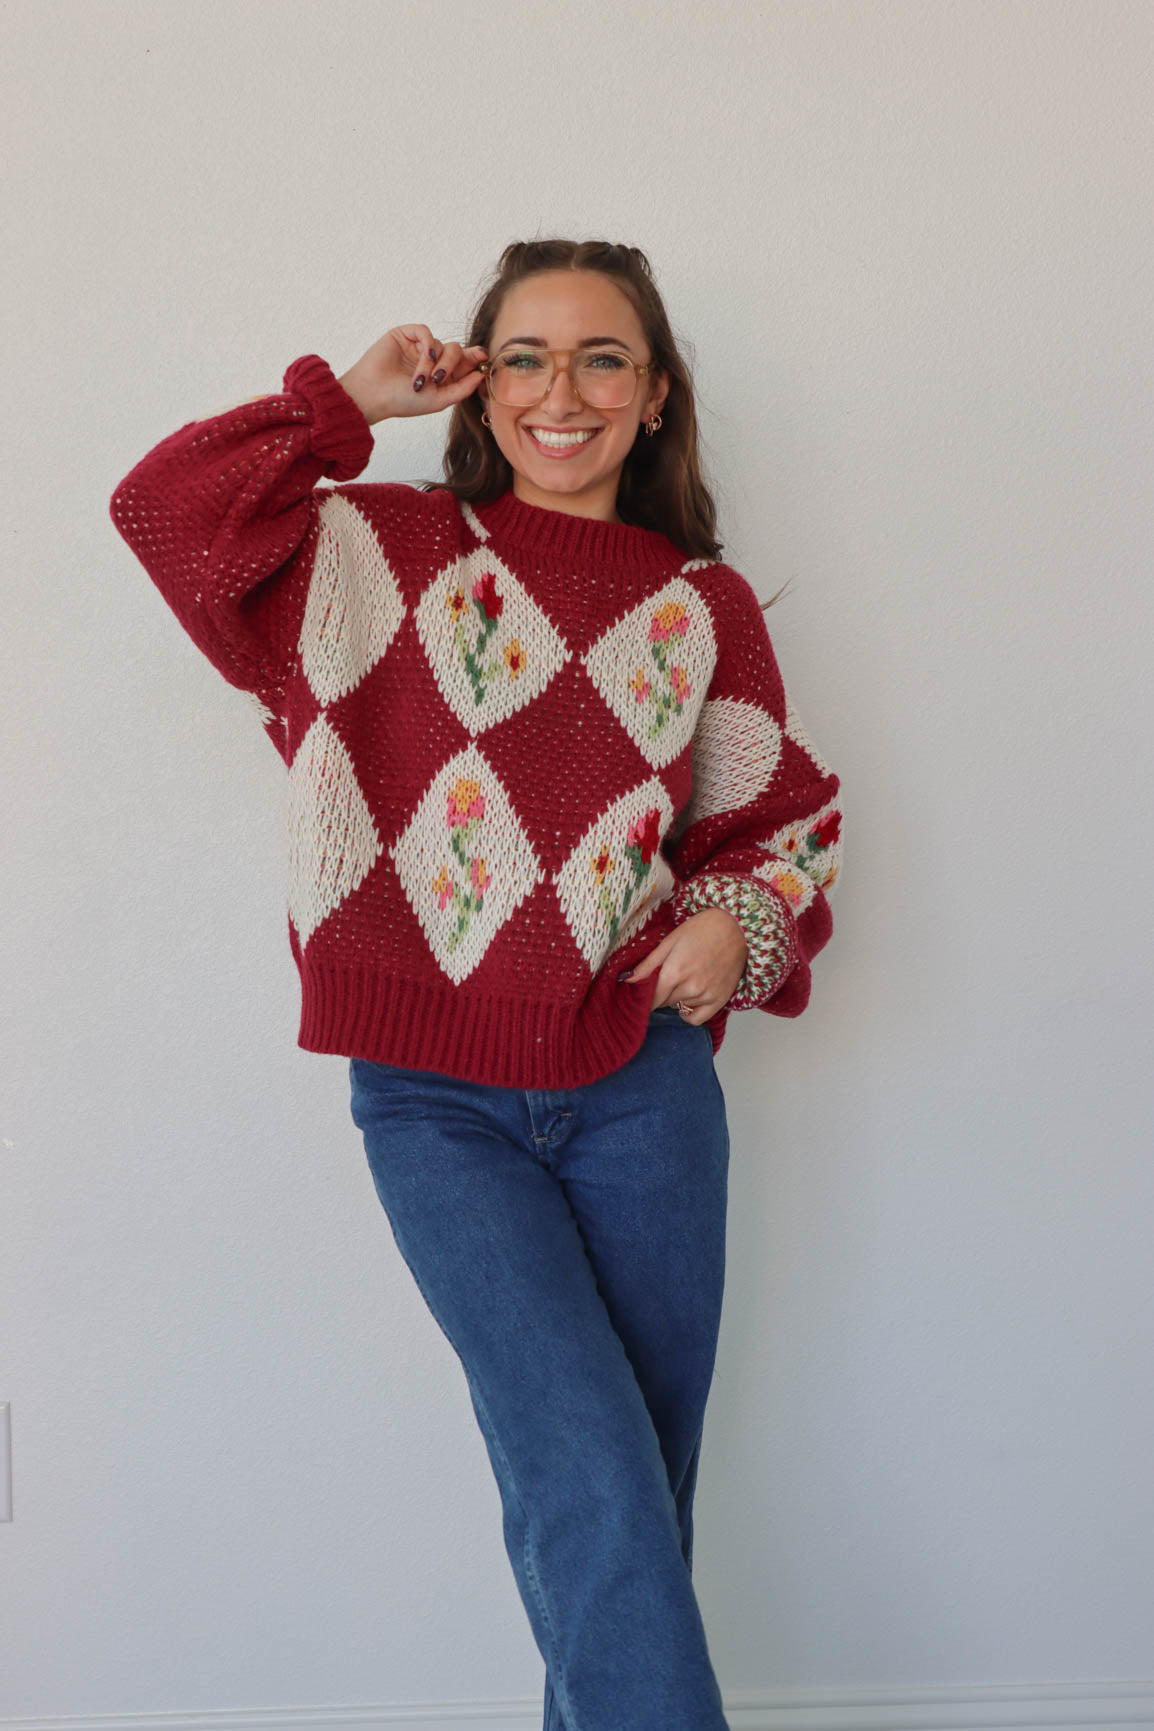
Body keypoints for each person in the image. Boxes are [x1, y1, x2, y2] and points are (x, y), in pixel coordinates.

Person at [109, 238, 843, 1731]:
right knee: (586, 1475)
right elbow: (165, 515)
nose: (557, 393)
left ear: (654, 400)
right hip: (436, 1104)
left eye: (599, 360)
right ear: (478, 382)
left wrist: (734, 922)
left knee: (631, 1495)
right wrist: (342, 405)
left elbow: (781, 826)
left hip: (638, 1089)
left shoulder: (701, 609)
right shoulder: (373, 555)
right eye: (523, 356)